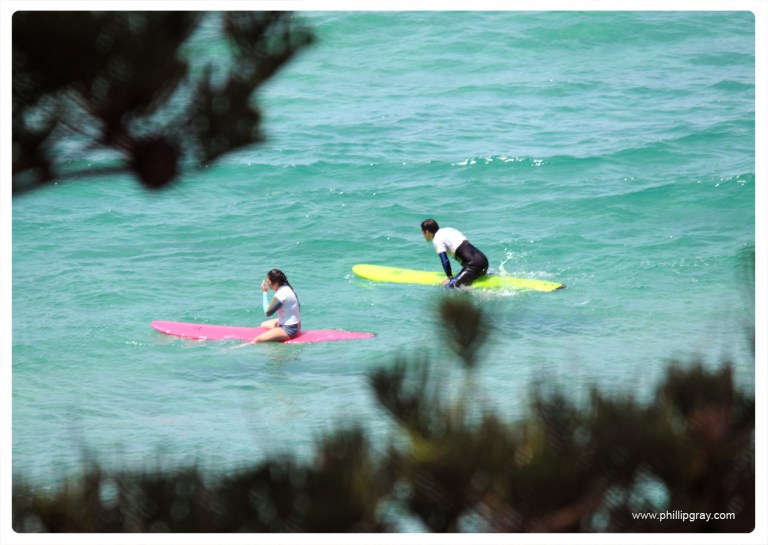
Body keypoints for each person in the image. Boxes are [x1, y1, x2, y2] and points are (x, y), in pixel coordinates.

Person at [235, 268, 301, 346]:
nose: (267, 283)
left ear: (275, 282)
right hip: (296, 325)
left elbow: (268, 313)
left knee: (257, 339)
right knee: (263, 324)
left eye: (268, 281)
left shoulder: (281, 293)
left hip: (289, 329)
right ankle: (275, 333)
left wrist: (264, 293)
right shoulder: (287, 288)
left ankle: (237, 348)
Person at [421, 218, 489, 288]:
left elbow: (445, 260)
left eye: (423, 233)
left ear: (427, 232)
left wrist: (449, 278)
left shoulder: (437, 239)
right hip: (483, 260)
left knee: (450, 286)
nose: (423, 235)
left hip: (474, 265)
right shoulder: (448, 230)